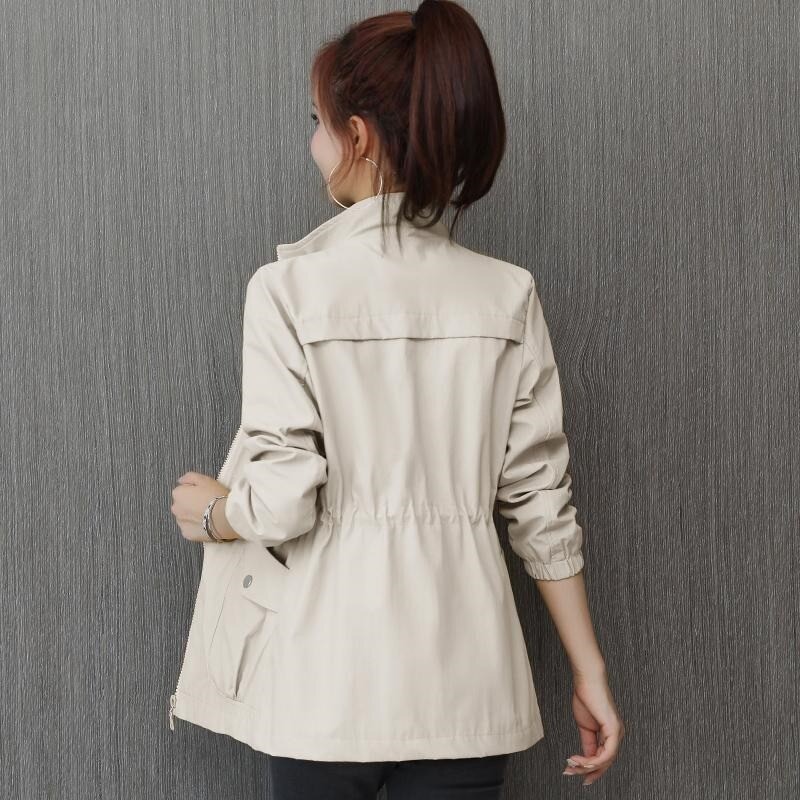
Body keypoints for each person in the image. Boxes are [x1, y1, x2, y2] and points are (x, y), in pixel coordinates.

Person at [169, 1, 625, 797]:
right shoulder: (508, 296)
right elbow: (541, 507)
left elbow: (283, 501)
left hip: (324, 686)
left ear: (359, 137)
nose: (312, 142)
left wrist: (213, 512)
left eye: (317, 122)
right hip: (470, 691)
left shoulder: (287, 291)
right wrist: (590, 672)